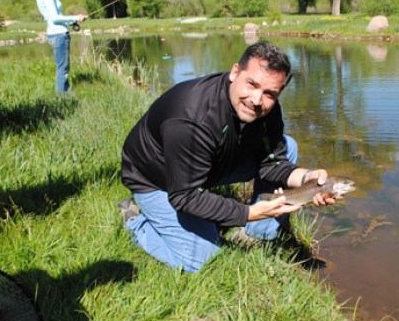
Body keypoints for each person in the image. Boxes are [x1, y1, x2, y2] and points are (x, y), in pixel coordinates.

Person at [119, 41, 339, 273]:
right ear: (235, 72)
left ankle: (257, 235)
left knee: (288, 145)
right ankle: (134, 220)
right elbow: (184, 196)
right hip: (157, 179)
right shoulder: (192, 118)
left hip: (208, 165)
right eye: (252, 84)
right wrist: (248, 213)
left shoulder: (268, 109)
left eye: (269, 93)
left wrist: (307, 177)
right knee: (202, 262)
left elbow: (272, 163)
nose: (256, 100)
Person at [35, 0, 87, 94]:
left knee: (62, 69)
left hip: (55, 33)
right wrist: (77, 17)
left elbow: (53, 17)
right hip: (59, 35)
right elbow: (55, 18)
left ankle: (66, 97)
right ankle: (62, 99)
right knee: (63, 70)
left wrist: (72, 21)